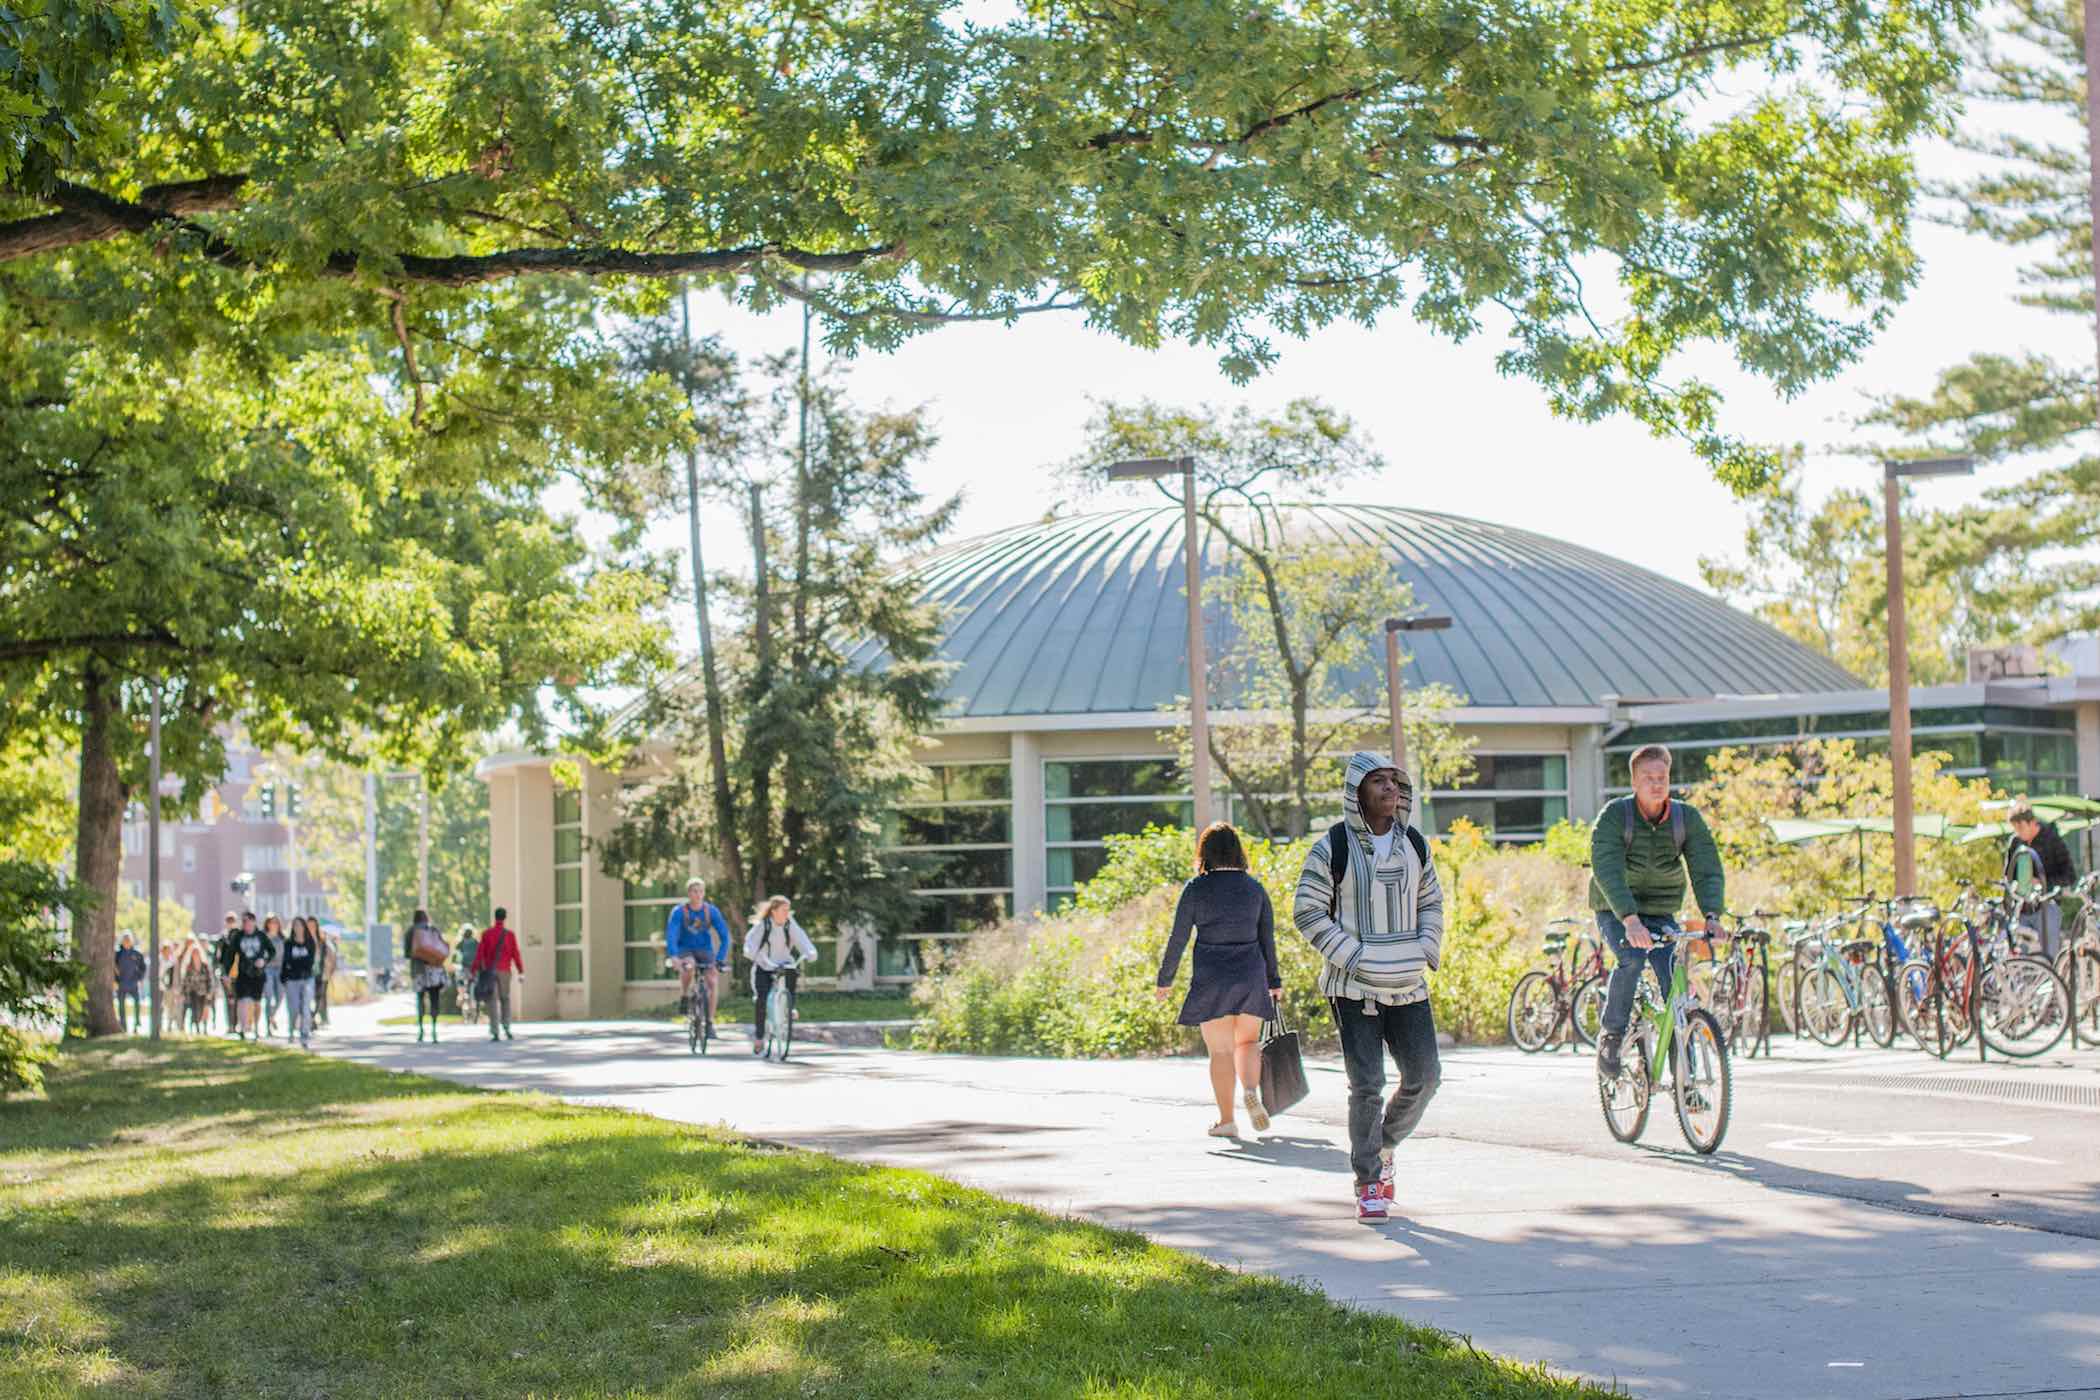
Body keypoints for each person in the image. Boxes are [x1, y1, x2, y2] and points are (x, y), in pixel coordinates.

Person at [1293, 750, 1445, 1220]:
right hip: (1353, 987)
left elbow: (1432, 902)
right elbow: (1307, 911)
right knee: (1368, 1085)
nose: (1390, 789)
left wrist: (1424, 949)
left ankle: (1382, 1146)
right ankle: (1369, 1182)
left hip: (1407, 984)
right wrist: (1355, 957)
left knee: (1425, 1076)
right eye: (1378, 781)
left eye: (1395, 782)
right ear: (1356, 791)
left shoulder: (1415, 844)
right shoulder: (1332, 847)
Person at [1588, 744, 1726, 1080]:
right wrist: (1630, 919)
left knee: (1672, 978)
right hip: (1616, 908)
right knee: (1632, 959)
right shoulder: (1614, 816)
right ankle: (1612, 1036)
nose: (1656, 784)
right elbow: (1606, 868)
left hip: (1661, 909)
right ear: (1634, 782)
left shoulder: (1685, 818)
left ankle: (1688, 1078)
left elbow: (1705, 867)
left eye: (1662, 777)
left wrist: (1712, 916)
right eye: (1648, 778)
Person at [1154, 822, 1281, 1138]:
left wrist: (1165, 979)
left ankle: (1227, 1120)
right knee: (1248, 1042)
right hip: (1251, 974)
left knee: (1221, 1052)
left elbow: (1178, 938)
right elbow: (1268, 939)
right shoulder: (1255, 888)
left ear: (1204, 853)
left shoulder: (1196, 888)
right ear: (1238, 851)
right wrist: (1274, 980)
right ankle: (1250, 1091)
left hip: (1212, 978)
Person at [744, 896, 816, 1055]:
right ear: (774, 911)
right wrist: (751, 954)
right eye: (784, 910)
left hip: (783, 963)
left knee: (792, 971)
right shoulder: (764, 926)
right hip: (765, 965)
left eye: (788, 910)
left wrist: (810, 952)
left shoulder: (789, 924)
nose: (787, 913)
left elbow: (802, 939)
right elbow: (749, 944)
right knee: (761, 1000)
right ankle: (759, 1037)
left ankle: (789, 1006)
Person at [2006, 799, 2078, 957]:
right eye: (2015, 828)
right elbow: (2007, 875)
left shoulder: (2052, 840)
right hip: (2022, 907)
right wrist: (2014, 885)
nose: (2018, 832)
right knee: (2018, 956)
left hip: (2047, 906)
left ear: (2032, 822)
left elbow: (2070, 876)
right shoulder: (2015, 842)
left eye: (2021, 827)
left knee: (2049, 956)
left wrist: (2044, 883)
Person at [665, 879, 731, 1024]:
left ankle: (710, 1022)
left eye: (701, 891)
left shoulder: (711, 911)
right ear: (689, 893)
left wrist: (719, 959)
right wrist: (674, 956)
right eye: (695, 891)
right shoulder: (679, 911)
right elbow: (671, 935)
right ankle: (684, 995)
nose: (698, 895)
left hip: (705, 950)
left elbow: (725, 937)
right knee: (689, 966)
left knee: (713, 981)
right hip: (685, 949)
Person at [471, 907, 525, 1042]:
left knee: (492, 1001)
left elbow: (480, 954)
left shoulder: (487, 934)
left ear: (495, 917)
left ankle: (495, 1030)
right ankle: (506, 1027)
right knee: (505, 999)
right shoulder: (510, 935)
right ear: (505, 918)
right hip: (505, 971)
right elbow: (515, 954)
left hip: (490, 972)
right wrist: (521, 970)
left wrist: (474, 969)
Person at [404, 908, 448, 1043]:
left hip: (418, 970)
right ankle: (434, 1029)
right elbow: (442, 948)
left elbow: (407, 953)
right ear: (426, 918)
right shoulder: (433, 930)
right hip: (434, 970)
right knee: (435, 999)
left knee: (420, 999)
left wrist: (420, 954)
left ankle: (421, 1030)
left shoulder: (411, 932)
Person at [227, 911, 273, 1039]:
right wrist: (227, 972)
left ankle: (256, 1028)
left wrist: (264, 960)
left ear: (253, 921)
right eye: (243, 922)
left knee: (256, 1002)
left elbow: (271, 951)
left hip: (258, 974)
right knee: (242, 1000)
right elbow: (230, 955)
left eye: (247, 921)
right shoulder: (238, 936)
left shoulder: (261, 936)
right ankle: (242, 1028)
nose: (245, 924)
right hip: (242, 974)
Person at [280, 917, 321, 1050]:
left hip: (307, 979)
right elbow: (286, 962)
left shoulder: (310, 943)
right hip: (292, 980)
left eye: (300, 925)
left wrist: (297, 963)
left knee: (305, 1008)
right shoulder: (288, 943)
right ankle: (291, 1029)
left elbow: (310, 962)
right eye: (295, 925)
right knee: (294, 1008)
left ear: (304, 927)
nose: (298, 928)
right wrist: (284, 977)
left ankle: (304, 1035)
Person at [114, 932, 147, 1034]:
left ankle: (137, 1024)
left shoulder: (137, 954)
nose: (127, 942)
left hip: (133, 984)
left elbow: (143, 967)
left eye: (128, 940)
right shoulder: (118, 954)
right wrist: (115, 980)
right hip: (121, 984)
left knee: (137, 1004)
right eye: (125, 940)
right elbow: (113, 968)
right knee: (121, 1006)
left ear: (132, 941)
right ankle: (123, 1026)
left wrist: (139, 978)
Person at [260, 915, 287, 1038]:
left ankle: (271, 1016)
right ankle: (268, 1027)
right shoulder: (263, 938)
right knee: (268, 996)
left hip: (280, 969)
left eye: (276, 922)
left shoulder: (282, 938)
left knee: (280, 996)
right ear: (267, 924)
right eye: (271, 922)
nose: (273, 924)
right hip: (268, 969)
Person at [214, 912, 241, 1034]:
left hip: (238, 974)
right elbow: (218, 958)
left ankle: (238, 1024)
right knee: (229, 1000)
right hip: (226, 974)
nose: (230, 923)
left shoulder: (240, 936)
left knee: (238, 999)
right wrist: (222, 973)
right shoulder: (222, 939)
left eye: (232, 920)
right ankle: (230, 1025)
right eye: (228, 921)